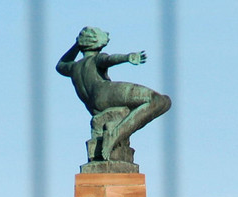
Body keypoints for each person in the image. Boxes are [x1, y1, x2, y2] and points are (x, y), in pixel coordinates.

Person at [56, 26, 171, 160]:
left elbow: (60, 65)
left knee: (140, 108)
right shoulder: (96, 59)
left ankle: (114, 127)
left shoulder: (73, 67)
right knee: (160, 100)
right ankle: (115, 134)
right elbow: (108, 60)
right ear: (96, 42)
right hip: (104, 93)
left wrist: (76, 45)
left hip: (95, 106)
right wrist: (127, 57)